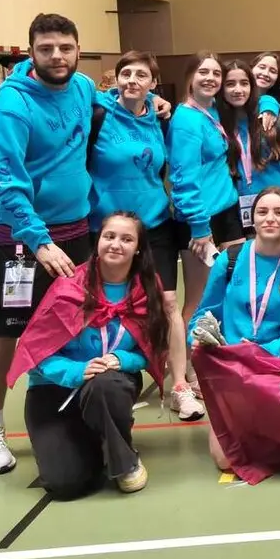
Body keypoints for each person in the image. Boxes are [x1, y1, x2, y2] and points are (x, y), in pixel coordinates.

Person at [0, 13, 98, 475]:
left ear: (78, 49)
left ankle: (64, 406)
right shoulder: (10, 108)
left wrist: (157, 104)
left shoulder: (83, 88)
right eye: (46, 49)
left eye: (65, 47)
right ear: (31, 52)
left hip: (74, 226)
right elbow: (4, 183)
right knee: (7, 325)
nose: (57, 56)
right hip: (18, 238)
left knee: (74, 316)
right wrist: (38, 241)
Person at [7, 211, 169, 498]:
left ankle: (124, 459)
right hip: (54, 391)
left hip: (107, 386)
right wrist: (75, 371)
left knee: (106, 383)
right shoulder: (68, 287)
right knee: (66, 484)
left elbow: (152, 348)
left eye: (126, 239)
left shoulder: (146, 288)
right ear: (98, 241)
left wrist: (123, 359)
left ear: (138, 247)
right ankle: (96, 440)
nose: (116, 244)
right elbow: (36, 350)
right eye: (109, 236)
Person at [88, 51, 204, 421]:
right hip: (109, 229)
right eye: (126, 73)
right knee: (104, 306)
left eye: (141, 75)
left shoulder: (158, 118)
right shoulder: (99, 114)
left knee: (169, 305)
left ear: (154, 84)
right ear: (116, 79)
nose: (132, 80)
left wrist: (159, 107)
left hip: (155, 224)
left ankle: (179, 388)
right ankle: (101, 381)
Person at [189, 187, 280, 470]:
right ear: (253, 218)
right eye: (262, 212)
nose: (270, 219)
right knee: (225, 460)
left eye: (279, 212)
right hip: (230, 367)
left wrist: (257, 351)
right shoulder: (230, 259)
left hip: (275, 367)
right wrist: (198, 337)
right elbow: (204, 313)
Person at [167, 51, 246, 339]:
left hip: (227, 212)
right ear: (190, 77)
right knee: (199, 299)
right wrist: (200, 228)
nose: (210, 78)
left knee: (231, 288)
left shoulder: (213, 111)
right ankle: (188, 368)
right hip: (200, 219)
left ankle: (218, 359)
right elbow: (182, 178)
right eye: (203, 72)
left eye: (215, 73)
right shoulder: (186, 119)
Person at [217, 60, 280, 237]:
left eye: (244, 83)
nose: (238, 90)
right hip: (242, 215)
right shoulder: (217, 123)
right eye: (230, 84)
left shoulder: (275, 118)